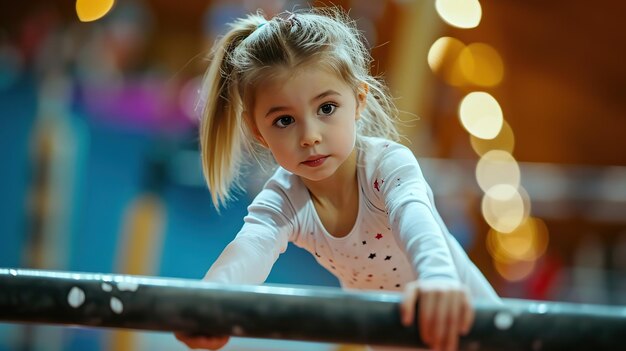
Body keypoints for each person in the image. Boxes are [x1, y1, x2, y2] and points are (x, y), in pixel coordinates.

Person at [176, 7, 500, 351]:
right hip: (397, 339)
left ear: (358, 101)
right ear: (258, 132)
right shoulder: (285, 199)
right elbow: (251, 247)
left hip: (471, 322)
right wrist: (210, 301)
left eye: (326, 108)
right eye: (284, 121)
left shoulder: (386, 166)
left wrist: (438, 280)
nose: (310, 136)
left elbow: (415, 219)